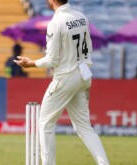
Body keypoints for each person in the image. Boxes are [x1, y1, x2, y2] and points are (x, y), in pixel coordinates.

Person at [14, 0, 109, 165]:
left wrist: (32, 63)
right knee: (84, 127)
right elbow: (90, 47)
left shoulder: (56, 23)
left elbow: (52, 59)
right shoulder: (81, 17)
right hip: (84, 74)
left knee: (45, 124)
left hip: (65, 77)